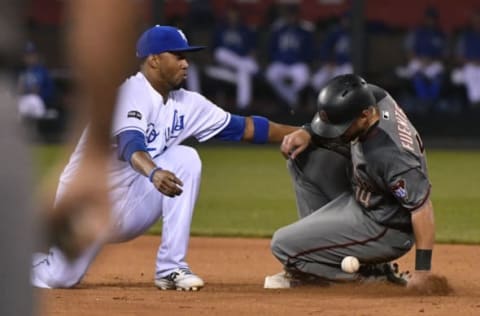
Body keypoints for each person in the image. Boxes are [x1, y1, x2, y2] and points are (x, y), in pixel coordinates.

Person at [32, 25, 298, 291]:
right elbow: (130, 145)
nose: (186, 63)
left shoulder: (187, 103)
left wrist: (305, 133)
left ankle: (171, 268)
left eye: (187, 57)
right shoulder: (128, 94)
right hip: (88, 203)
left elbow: (248, 128)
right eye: (178, 56)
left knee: (186, 158)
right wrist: (153, 172)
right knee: (59, 278)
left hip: (134, 202)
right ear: (154, 60)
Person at [265, 74, 436, 292]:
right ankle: (319, 254)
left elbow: (422, 208)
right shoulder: (373, 96)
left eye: (342, 126)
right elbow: (335, 120)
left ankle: (369, 278)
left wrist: (422, 272)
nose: (337, 131)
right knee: (303, 156)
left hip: (385, 227)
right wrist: (308, 132)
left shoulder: (391, 155)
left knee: (282, 245)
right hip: (366, 197)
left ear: (365, 115)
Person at [205, 7, 259, 110]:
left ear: (238, 17)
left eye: (234, 16)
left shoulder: (245, 29)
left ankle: (242, 107)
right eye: (230, 16)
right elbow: (213, 52)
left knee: (243, 72)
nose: (232, 18)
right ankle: (243, 107)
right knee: (220, 53)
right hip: (226, 66)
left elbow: (253, 51)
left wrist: (251, 55)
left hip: (241, 60)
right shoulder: (221, 29)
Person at [395, 7, 447, 112]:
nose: (431, 20)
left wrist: (431, 60)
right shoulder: (416, 32)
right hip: (418, 61)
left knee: (439, 72)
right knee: (415, 73)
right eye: (429, 18)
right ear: (425, 19)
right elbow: (408, 52)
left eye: (433, 18)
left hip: (433, 63)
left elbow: (444, 55)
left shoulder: (440, 34)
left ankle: (431, 101)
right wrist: (420, 59)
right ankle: (424, 100)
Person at [265, 4, 314, 111]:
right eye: (289, 15)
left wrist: (304, 61)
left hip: (297, 63)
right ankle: (292, 99)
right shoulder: (279, 30)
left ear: (297, 16)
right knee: (270, 75)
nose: (291, 18)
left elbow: (309, 51)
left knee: (304, 78)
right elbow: (271, 49)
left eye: (294, 15)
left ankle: (288, 100)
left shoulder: (304, 31)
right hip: (281, 63)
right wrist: (276, 59)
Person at [311, 13, 353, 92]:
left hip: (347, 65)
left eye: (349, 20)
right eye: (345, 20)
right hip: (333, 64)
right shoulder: (336, 33)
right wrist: (328, 61)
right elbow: (325, 48)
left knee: (344, 83)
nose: (347, 22)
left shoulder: (356, 34)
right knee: (316, 81)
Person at [17, 41, 55, 120]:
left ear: (36, 56)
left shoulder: (42, 71)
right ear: (23, 57)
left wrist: (39, 93)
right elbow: (18, 91)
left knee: (34, 100)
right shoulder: (22, 72)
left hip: (39, 102)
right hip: (25, 102)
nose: (29, 58)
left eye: (32, 55)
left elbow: (49, 91)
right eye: (27, 55)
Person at [451, 9, 480, 108]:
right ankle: (475, 103)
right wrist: (472, 61)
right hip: (468, 66)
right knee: (470, 72)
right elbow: (458, 57)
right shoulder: (465, 36)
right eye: (476, 20)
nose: (478, 22)